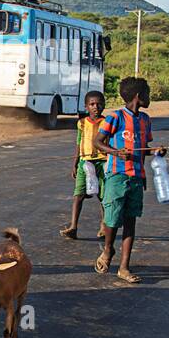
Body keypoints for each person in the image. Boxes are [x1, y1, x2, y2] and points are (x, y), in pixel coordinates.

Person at [94, 77, 167, 284]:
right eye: (148, 93)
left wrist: (156, 151)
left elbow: (145, 148)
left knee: (130, 222)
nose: (149, 97)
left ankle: (124, 267)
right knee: (112, 220)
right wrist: (116, 153)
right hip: (117, 176)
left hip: (136, 177)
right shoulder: (114, 117)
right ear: (138, 96)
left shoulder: (145, 119)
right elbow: (98, 142)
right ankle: (108, 249)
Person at [60, 90, 108, 240]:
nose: (96, 107)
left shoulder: (107, 122)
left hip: (102, 162)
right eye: (92, 104)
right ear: (86, 106)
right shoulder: (81, 123)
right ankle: (73, 226)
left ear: (104, 105)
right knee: (78, 195)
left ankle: (104, 226)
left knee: (103, 196)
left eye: (99, 104)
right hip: (84, 163)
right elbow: (79, 143)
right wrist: (74, 163)